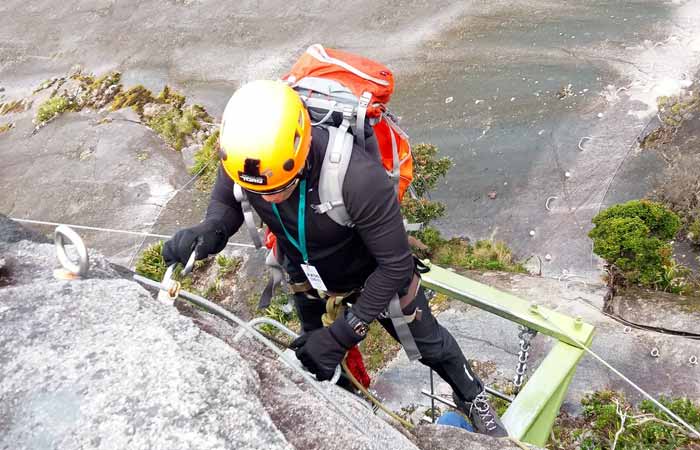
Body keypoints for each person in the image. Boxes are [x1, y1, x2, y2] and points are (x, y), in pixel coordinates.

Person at [163, 80, 508, 437]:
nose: (274, 198)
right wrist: (207, 234)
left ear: (301, 150)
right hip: (308, 278)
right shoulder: (248, 159)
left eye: (284, 187)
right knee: (319, 359)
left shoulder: (356, 176)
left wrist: (344, 333)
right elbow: (226, 207)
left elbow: (396, 264)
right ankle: (350, 414)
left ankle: (474, 398)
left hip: (376, 274)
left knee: (432, 344)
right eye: (264, 192)